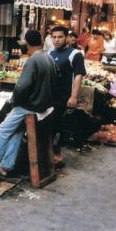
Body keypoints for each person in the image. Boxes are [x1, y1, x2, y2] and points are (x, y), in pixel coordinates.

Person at [0, 30, 58, 178]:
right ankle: (5, 166)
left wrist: (13, 101)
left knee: (3, 130)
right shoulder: (49, 58)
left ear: (27, 43)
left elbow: (22, 87)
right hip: (42, 106)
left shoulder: (33, 60)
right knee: (17, 133)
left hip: (28, 106)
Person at [48, 26, 85, 169]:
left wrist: (74, 96)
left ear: (67, 37)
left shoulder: (75, 54)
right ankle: (48, 153)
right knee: (49, 126)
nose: (57, 40)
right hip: (49, 97)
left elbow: (78, 75)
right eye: (54, 37)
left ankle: (57, 156)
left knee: (58, 126)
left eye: (60, 37)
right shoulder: (50, 53)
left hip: (63, 98)